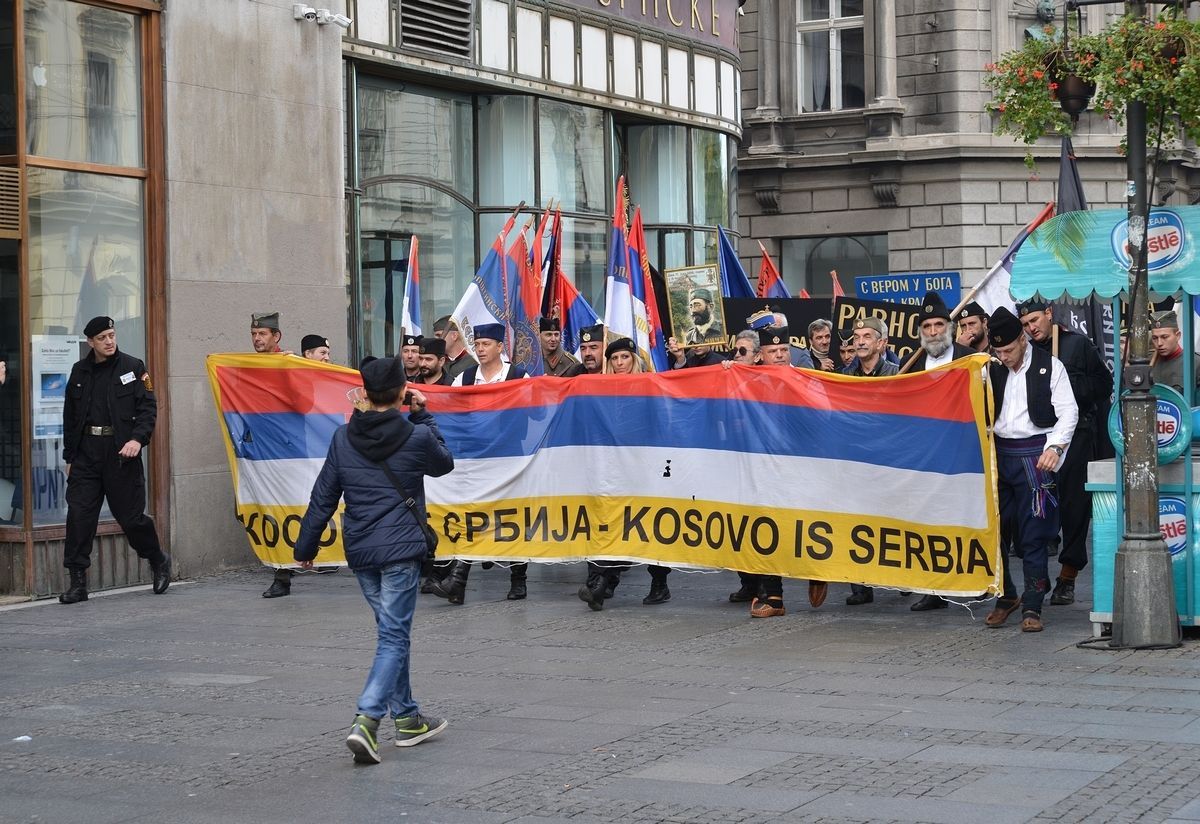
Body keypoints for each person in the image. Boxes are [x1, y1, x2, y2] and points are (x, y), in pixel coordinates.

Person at [293, 357, 453, 763]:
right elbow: (444, 463)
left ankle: (408, 719)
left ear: (364, 394)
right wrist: (425, 416)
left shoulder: (343, 437)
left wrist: (305, 547)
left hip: (362, 551)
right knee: (394, 636)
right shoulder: (415, 436)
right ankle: (366, 719)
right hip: (400, 550)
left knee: (390, 634)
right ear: (403, 392)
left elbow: (323, 497)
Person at [58, 316, 170, 604]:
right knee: (79, 517)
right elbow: (70, 417)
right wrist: (69, 456)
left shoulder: (133, 368)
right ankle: (78, 583)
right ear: (90, 342)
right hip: (87, 454)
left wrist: (137, 440)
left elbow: (148, 408)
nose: (109, 341)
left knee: (131, 519)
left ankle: (157, 559)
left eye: (111, 334)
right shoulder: (79, 371)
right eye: (102, 338)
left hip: (121, 454)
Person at [985, 307, 1078, 633]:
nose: (1004, 356)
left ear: (1022, 339)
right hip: (998, 455)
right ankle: (1006, 595)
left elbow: (1069, 412)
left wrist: (1055, 447)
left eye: (1008, 349)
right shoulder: (989, 369)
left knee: (1033, 535)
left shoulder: (1050, 366)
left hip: (1034, 457)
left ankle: (1033, 603)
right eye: (998, 350)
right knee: (995, 531)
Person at [1016, 299, 1110, 607]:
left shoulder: (1077, 345)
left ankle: (1068, 576)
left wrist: (1068, 390)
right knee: (1039, 507)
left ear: (1048, 315)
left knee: (1074, 508)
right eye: (1026, 324)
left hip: (1076, 438)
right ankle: (1037, 577)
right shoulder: (1027, 354)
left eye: (1034, 320)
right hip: (1039, 438)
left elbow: (1103, 383)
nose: (1032, 328)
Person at [439, 324, 528, 601]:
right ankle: (459, 580)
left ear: (500, 346)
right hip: (476, 457)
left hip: (509, 456)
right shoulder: (463, 379)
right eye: (477, 345)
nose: (481, 349)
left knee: (512, 517)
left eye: (486, 344)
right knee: (472, 515)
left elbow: (533, 412)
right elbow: (449, 409)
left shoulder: (517, 376)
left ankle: (518, 579)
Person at [907, 292, 977, 612]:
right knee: (929, 521)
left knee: (965, 518)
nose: (933, 331)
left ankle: (973, 579)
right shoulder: (912, 364)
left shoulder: (969, 359)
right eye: (927, 326)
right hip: (926, 455)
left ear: (949, 326)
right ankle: (933, 588)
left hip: (962, 453)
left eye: (938, 324)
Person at [843, 317, 899, 607]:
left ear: (882, 343)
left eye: (867, 336)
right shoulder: (844, 376)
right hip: (855, 460)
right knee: (856, 521)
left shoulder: (897, 374)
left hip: (887, 459)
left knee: (893, 519)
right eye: (856, 336)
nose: (860, 341)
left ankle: (903, 575)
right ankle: (860, 584)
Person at [252, 312, 299, 599]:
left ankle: (283, 574)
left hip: (285, 449)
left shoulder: (288, 363)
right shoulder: (247, 366)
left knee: (283, 508)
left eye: (262, 334)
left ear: (276, 337)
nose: (257, 339)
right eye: (254, 334)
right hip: (258, 448)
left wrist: (290, 369)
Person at [1150, 310, 1200, 401]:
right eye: (1155, 338)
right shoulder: (1148, 363)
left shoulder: (1195, 363)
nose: (1159, 343)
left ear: (1177, 336)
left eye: (1164, 337)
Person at [433, 316, 474, 381]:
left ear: (454, 336)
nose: (435, 340)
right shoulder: (437, 361)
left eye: (439, 335)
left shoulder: (474, 361)